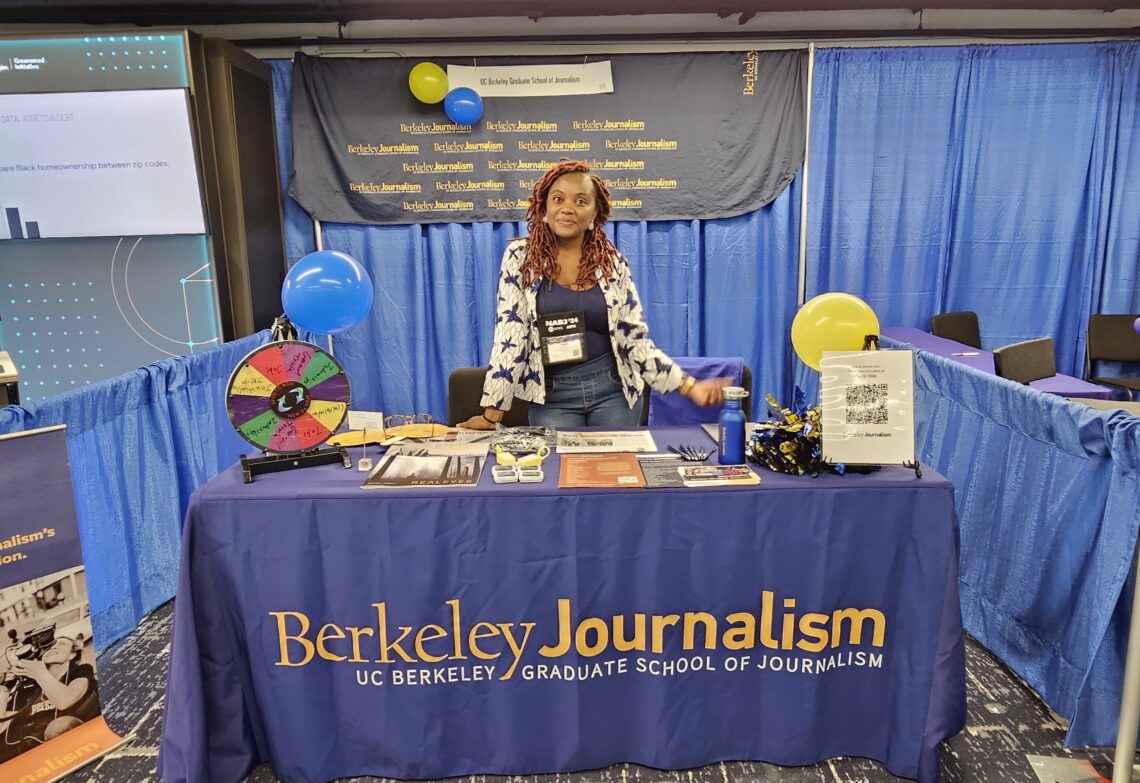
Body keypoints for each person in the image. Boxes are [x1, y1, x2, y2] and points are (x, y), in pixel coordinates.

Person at [460, 159, 726, 429]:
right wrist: (491, 414)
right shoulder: (521, 258)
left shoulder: (612, 263)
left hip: (614, 391)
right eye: (558, 199)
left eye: (580, 201)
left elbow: (634, 341)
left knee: (616, 470)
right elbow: (511, 335)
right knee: (558, 470)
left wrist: (689, 386)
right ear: (544, 208)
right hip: (552, 397)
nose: (567, 209)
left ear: (594, 215)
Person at [0, 634, 99, 761]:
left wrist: (40, 673)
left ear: (72, 654)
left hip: (68, 745)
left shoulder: (80, 671)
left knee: (60, 725)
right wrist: (4, 689)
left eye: (62, 644)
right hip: (30, 750)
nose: (54, 647)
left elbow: (66, 701)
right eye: (49, 645)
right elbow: (3, 726)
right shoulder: (29, 685)